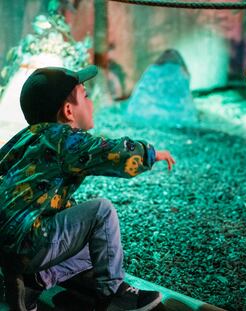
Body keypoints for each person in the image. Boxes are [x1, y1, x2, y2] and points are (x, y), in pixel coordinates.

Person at [0, 65, 176, 311]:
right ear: (68, 111)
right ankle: (112, 293)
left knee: (96, 245)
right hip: (30, 243)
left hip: (10, 247)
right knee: (101, 212)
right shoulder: (64, 138)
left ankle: (32, 282)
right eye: (85, 95)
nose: (91, 103)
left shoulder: (26, 138)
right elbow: (111, 153)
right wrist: (151, 153)